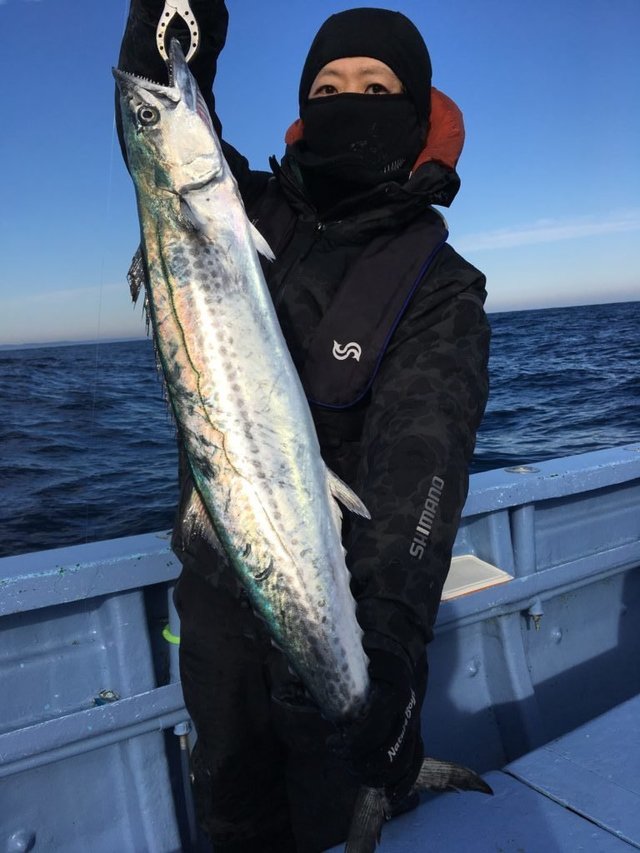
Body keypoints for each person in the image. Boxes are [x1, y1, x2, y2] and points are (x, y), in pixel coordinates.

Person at [117, 3, 490, 851]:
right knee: (232, 822)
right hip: (217, 636)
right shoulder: (244, 207)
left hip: (344, 604)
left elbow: (421, 460)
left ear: (415, 107)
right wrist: (160, 41)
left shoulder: (440, 286)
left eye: (372, 85)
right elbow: (162, 104)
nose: (344, 98)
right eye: (325, 85)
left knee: (329, 822)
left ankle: (371, 785)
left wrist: (389, 643)